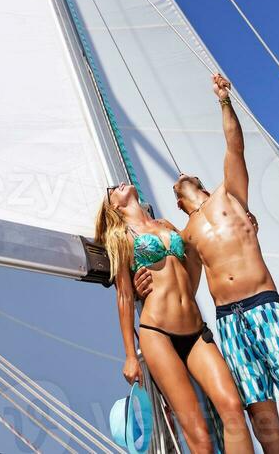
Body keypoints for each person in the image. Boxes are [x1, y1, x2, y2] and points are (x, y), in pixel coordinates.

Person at [134, 74, 279, 454]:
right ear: (177, 202)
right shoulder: (185, 238)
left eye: (186, 177)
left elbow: (235, 146)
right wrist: (143, 281)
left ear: (198, 182)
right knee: (261, 418)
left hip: (264, 304)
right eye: (175, 185)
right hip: (228, 320)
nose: (179, 178)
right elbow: (183, 285)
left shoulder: (231, 196)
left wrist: (223, 101)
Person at [95, 182, 253, 454]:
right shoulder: (121, 236)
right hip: (158, 334)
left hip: (195, 331)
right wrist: (130, 355)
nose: (118, 184)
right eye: (112, 189)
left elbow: (198, 247)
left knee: (233, 409)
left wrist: (240, 222)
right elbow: (123, 296)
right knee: (198, 436)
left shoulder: (166, 224)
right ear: (114, 207)